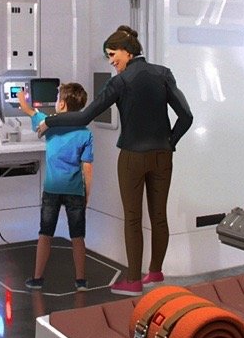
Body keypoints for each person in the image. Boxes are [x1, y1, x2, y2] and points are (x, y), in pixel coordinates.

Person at [38, 25, 192, 295]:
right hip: (162, 156)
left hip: (133, 156)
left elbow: (84, 117)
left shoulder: (119, 82)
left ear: (127, 51)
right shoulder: (163, 73)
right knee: (159, 215)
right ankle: (155, 271)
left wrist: (51, 121)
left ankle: (133, 281)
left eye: (112, 54)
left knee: (133, 218)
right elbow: (186, 116)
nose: (111, 61)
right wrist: (170, 142)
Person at [17, 81, 93, 291]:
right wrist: (87, 194)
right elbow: (87, 168)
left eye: (58, 98)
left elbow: (28, 110)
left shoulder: (50, 124)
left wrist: (22, 98)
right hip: (75, 190)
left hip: (52, 190)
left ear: (62, 104)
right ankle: (81, 280)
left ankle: (37, 278)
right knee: (78, 236)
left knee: (45, 234)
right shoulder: (85, 133)